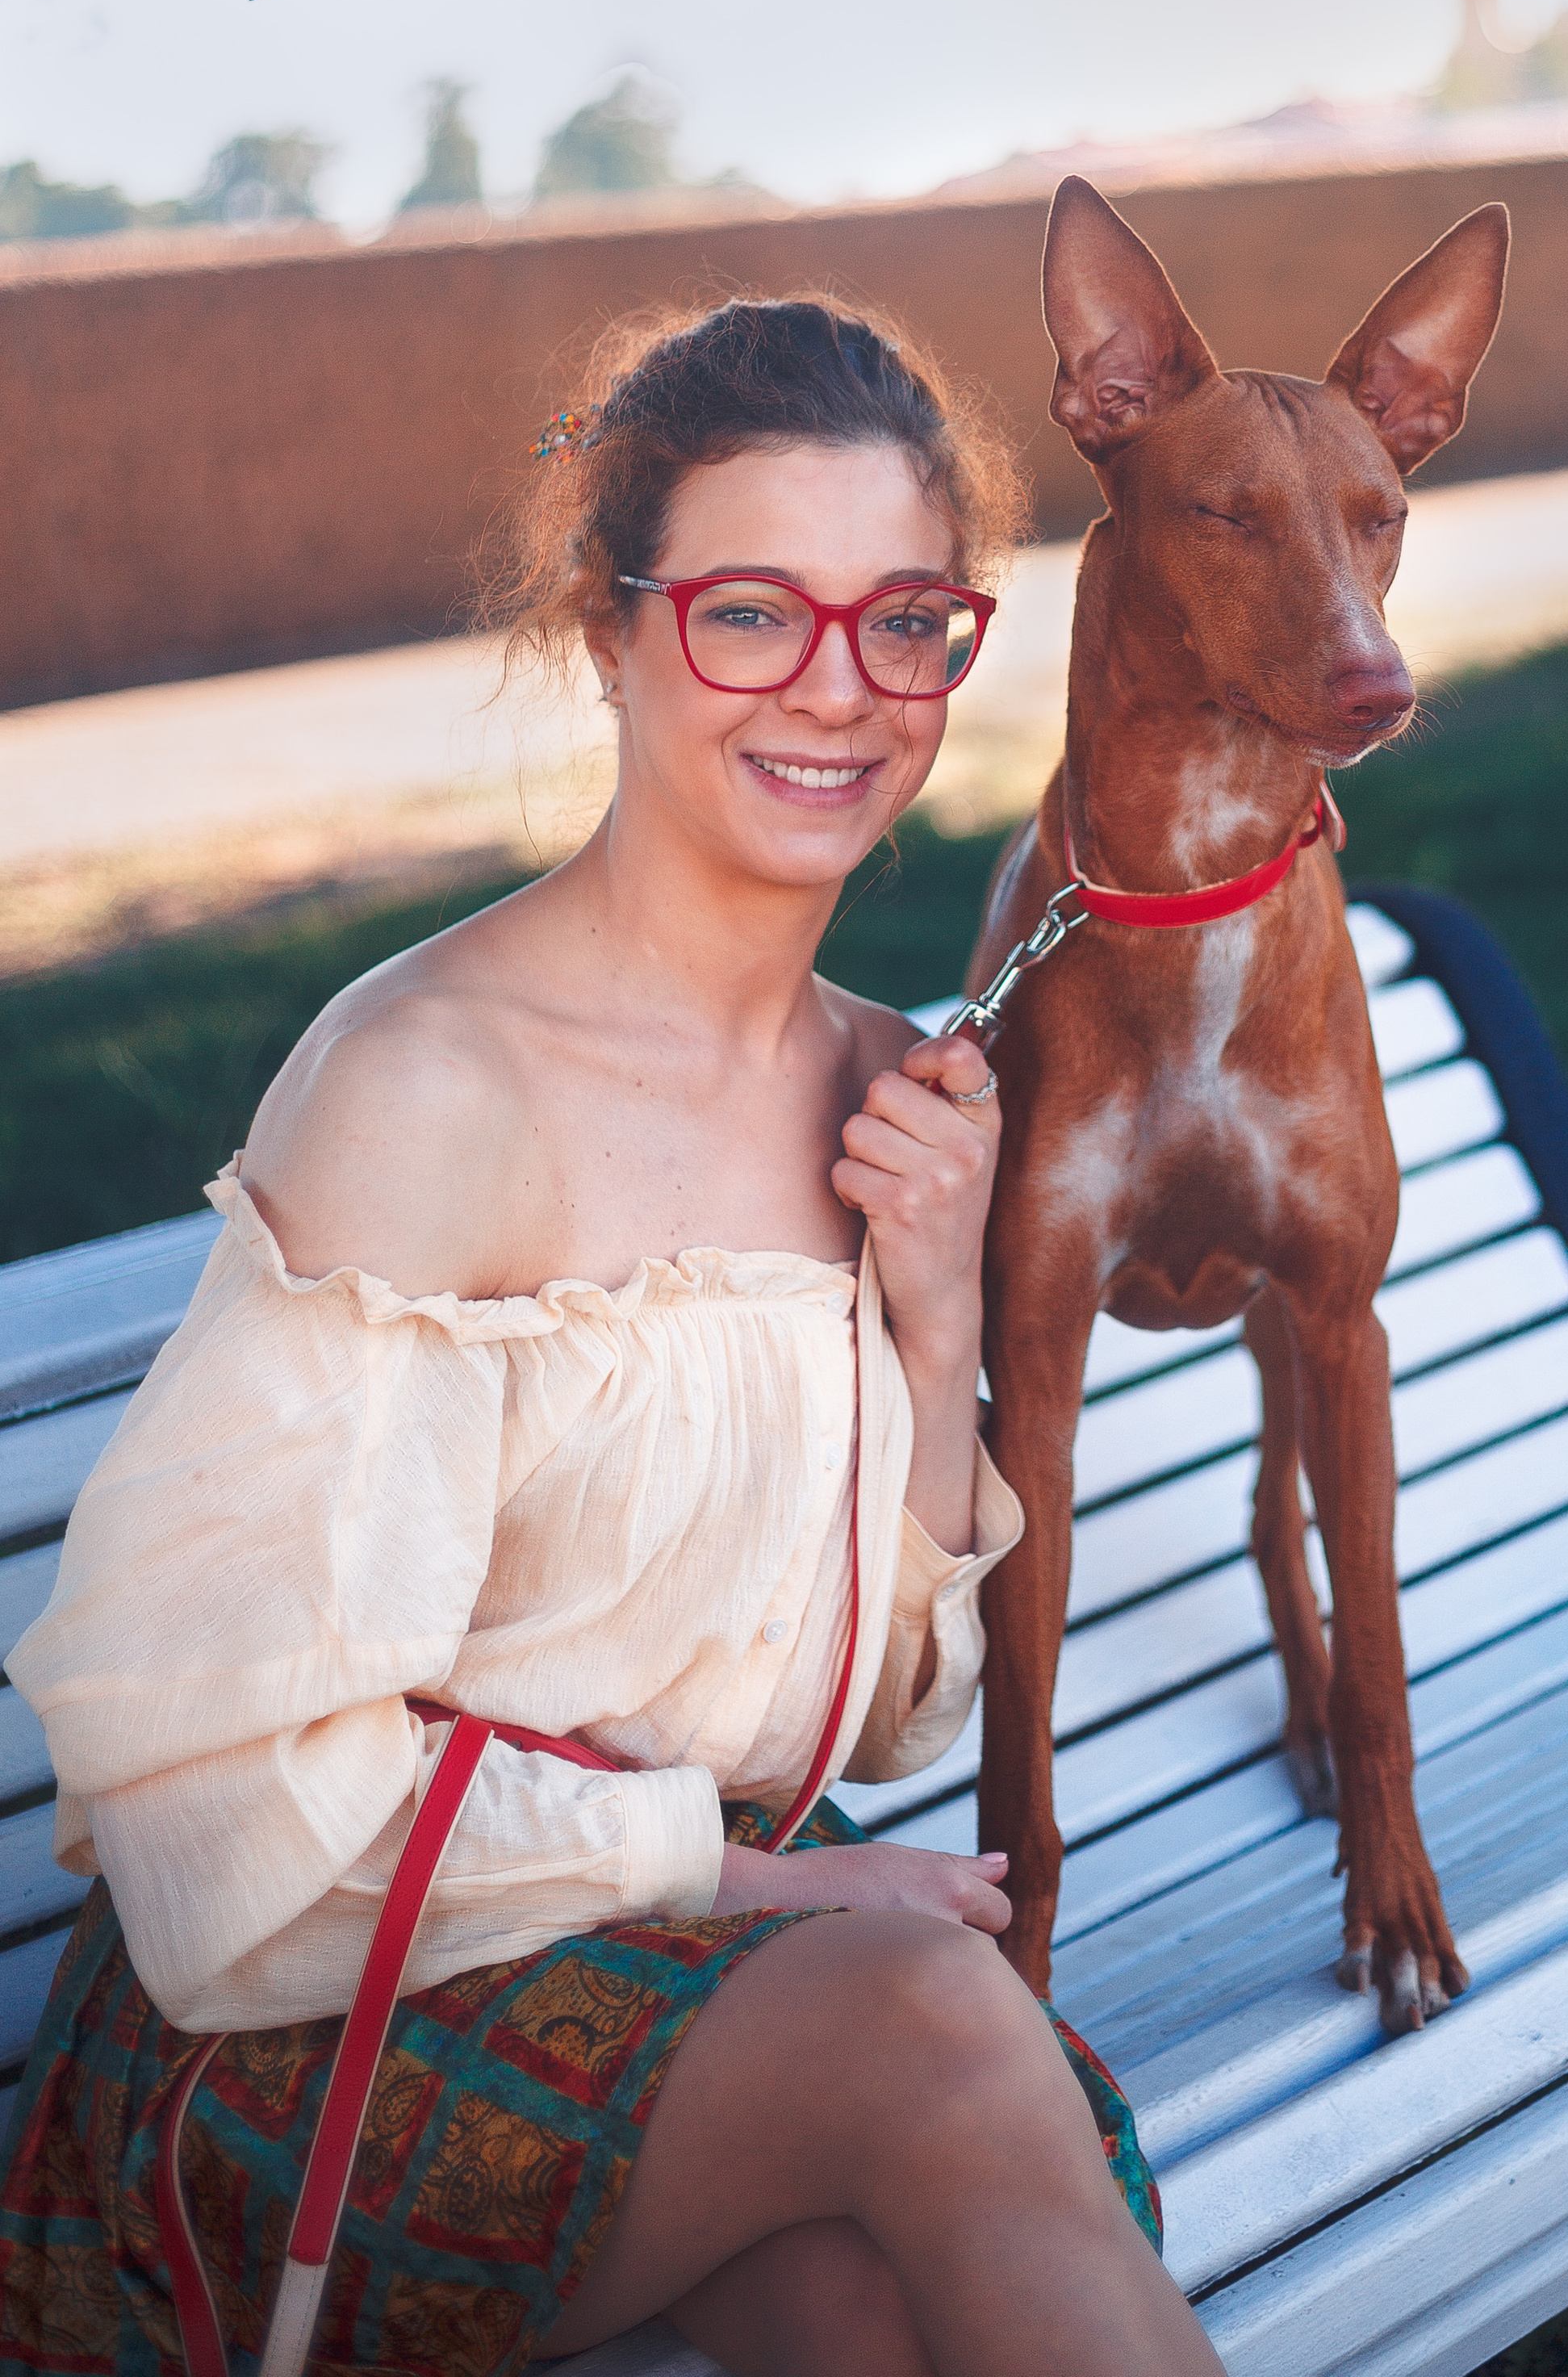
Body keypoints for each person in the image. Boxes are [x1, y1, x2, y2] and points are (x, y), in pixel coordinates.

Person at [0, 302, 1222, 2377]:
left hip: (659, 1980)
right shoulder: (429, 1088)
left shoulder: (888, 1088)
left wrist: (933, 1328)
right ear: (608, 626)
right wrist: (740, 1893)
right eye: (751, 613)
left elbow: (885, 1729)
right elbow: (232, 1810)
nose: (839, 694)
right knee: (939, 2025)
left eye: (904, 621)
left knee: (877, 2313)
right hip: (317, 2028)